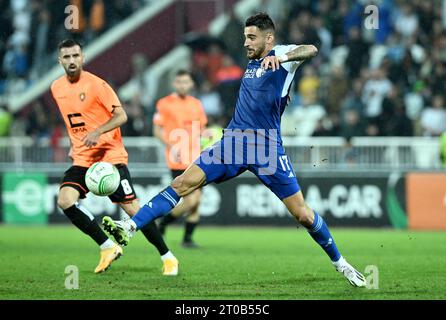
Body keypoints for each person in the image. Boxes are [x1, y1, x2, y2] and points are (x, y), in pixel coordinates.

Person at [103, 13, 366, 287]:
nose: (245, 43)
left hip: (267, 149)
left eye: (251, 37)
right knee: (182, 183)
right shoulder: (251, 64)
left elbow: (311, 49)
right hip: (233, 143)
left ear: (269, 38)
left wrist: (284, 58)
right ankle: (129, 228)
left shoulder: (282, 56)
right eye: (245, 37)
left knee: (302, 214)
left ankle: (341, 264)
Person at [51, 39, 178, 275]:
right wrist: (72, 145)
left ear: (83, 58)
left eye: (75, 56)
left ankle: (168, 256)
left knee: (133, 210)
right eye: (66, 57)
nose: (71, 61)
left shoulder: (98, 85)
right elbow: (72, 121)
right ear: (60, 61)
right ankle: (107, 246)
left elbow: (121, 117)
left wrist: (98, 131)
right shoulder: (56, 88)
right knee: (65, 200)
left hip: (110, 155)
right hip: (82, 157)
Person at [153, 70, 207, 248]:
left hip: (196, 158)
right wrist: (171, 146)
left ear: (191, 84)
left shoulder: (197, 104)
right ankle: (164, 223)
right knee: (191, 200)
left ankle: (187, 238)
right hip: (177, 160)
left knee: (196, 202)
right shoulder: (164, 104)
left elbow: (201, 130)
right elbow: (157, 131)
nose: (183, 85)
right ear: (174, 84)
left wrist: (207, 137)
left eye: (186, 82)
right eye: (179, 82)